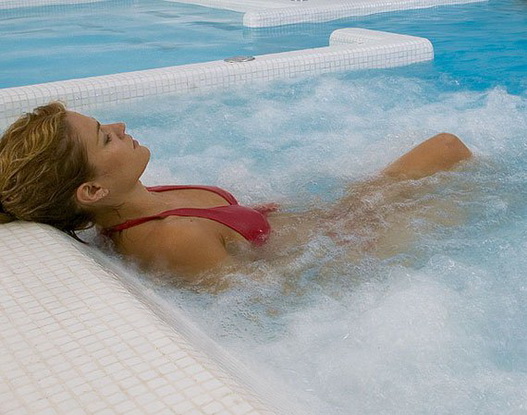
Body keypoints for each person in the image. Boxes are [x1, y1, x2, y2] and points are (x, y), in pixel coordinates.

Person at [0, 102, 472, 283]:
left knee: (447, 146)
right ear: (92, 189)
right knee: (454, 166)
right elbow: (264, 301)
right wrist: (360, 245)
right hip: (349, 241)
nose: (120, 126)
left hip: (333, 219)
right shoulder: (171, 238)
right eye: (105, 137)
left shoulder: (139, 196)